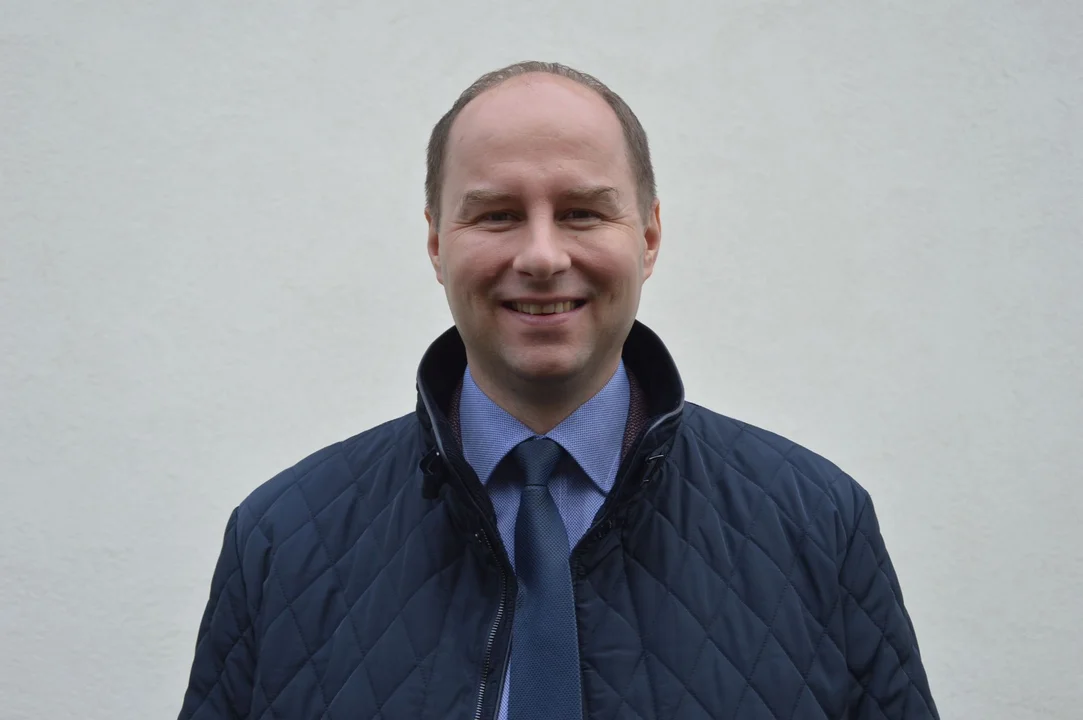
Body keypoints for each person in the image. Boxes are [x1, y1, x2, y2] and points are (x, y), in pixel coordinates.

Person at [178, 61, 939, 720]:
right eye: (497, 215)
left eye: (580, 212)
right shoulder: (280, 541)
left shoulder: (818, 524)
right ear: (436, 243)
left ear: (648, 237)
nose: (541, 256)